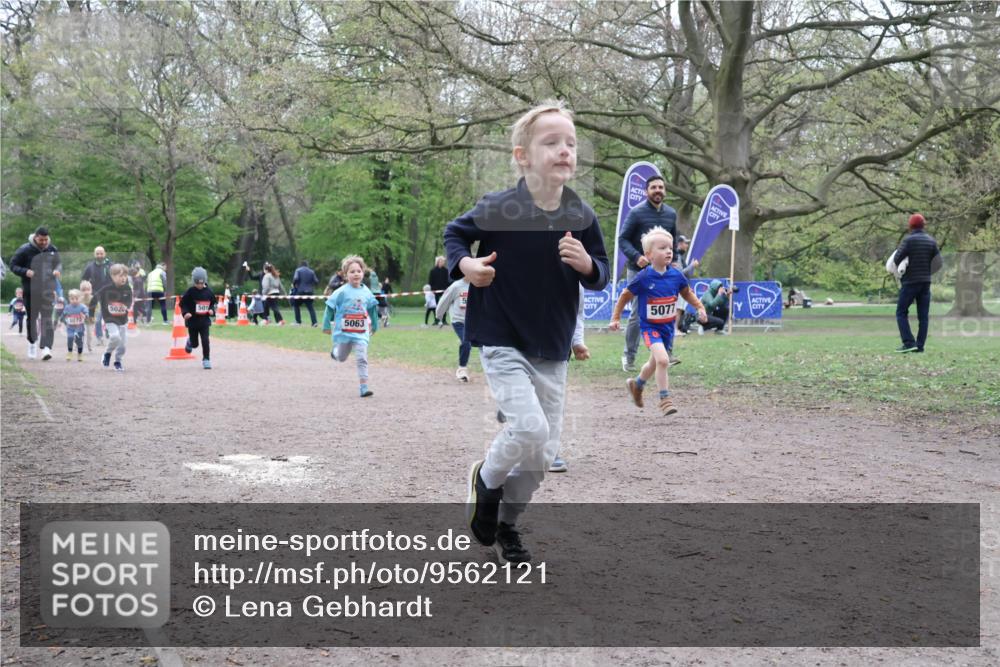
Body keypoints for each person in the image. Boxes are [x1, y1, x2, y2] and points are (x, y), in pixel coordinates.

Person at [445, 100, 609, 564]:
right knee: (529, 427)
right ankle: (486, 481)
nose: (564, 151)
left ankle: (507, 526)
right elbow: (455, 233)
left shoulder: (582, 215)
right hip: (501, 337)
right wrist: (467, 264)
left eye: (571, 143)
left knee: (541, 455)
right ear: (522, 156)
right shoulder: (501, 206)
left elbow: (602, 273)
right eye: (551, 142)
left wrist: (589, 267)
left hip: (552, 346)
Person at [609, 227, 707, 415]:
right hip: (649, 327)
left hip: (667, 329)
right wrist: (615, 318)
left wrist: (700, 307)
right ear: (649, 254)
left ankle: (637, 385)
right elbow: (625, 295)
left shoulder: (676, 275)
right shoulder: (644, 277)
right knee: (663, 360)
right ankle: (665, 399)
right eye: (662, 248)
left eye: (670, 248)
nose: (669, 251)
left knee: (654, 363)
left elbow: (687, 293)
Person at [617, 175, 677, 372]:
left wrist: (673, 260)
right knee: (637, 313)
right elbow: (623, 239)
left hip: (662, 272)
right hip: (639, 271)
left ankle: (667, 353)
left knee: (666, 310)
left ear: (665, 191)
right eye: (653, 187)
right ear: (646, 191)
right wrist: (636, 257)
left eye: (661, 187)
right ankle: (629, 356)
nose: (658, 190)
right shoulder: (636, 213)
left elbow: (672, 241)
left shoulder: (671, 214)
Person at [322, 255, 380, 398]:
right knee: (341, 357)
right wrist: (326, 324)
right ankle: (335, 353)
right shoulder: (341, 291)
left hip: (361, 333)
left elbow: (373, 308)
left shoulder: (366, 291)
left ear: (363, 273)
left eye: (359, 271)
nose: (356, 274)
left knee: (362, 358)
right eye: (352, 271)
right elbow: (329, 307)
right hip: (344, 333)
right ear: (346, 274)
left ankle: (364, 387)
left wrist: (375, 325)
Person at [891, 213, 942, 353]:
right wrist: (927, 272)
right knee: (923, 316)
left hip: (910, 282)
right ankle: (919, 346)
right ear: (923, 225)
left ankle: (908, 343)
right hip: (925, 282)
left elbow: (896, 259)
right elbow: (939, 263)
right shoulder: (931, 241)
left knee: (901, 312)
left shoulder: (909, 241)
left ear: (910, 226)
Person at [9, 227, 62, 361]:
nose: (44, 242)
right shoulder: (24, 250)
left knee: (47, 319)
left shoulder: (52, 249)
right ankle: (32, 343)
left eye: (46, 240)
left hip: (48, 290)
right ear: (35, 237)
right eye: (41, 240)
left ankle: (46, 348)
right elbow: (13, 265)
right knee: (32, 318)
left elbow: (59, 263)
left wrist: (57, 270)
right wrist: (25, 271)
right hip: (30, 290)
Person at [90, 263, 133, 372]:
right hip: (110, 319)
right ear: (113, 277)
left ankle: (118, 361)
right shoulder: (106, 289)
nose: (123, 278)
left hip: (123, 320)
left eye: (125, 276)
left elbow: (129, 300)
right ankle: (108, 353)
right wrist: (91, 314)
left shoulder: (127, 288)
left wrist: (126, 305)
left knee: (122, 345)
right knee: (115, 337)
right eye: (120, 276)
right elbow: (94, 300)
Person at [435, 278, 471, 382]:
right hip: (458, 321)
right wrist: (439, 315)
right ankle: (462, 369)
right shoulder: (456, 286)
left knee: (483, 344)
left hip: (472, 321)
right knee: (466, 342)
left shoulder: (476, 284)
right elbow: (444, 300)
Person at [181, 267, 216, 369]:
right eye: (197, 283)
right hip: (192, 322)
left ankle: (206, 359)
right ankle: (190, 341)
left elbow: (212, 303)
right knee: (195, 344)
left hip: (204, 321)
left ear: (205, 281)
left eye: (201, 283)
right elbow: (183, 304)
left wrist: (212, 310)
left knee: (205, 340)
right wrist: (185, 313)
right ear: (194, 282)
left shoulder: (209, 292)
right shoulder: (190, 292)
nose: (200, 285)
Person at [59, 289, 88, 362]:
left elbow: (86, 313)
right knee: (70, 338)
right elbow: (63, 314)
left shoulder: (82, 307)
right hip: (70, 327)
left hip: (79, 328)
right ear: (69, 299)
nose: (74, 300)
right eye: (72, 299)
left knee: (79, 341)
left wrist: (85, 315)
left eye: (76, 299)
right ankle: (70, 352)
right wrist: (61, 320)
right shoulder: (68, 307)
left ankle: (80, 354)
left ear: (80, 298)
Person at [291, 260, 320, 327]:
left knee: (296, 305)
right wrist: (311, 285)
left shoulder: (298, 270)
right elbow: (316, 281)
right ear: (307, 265)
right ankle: (314, 322)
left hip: (300, 291)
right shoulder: (311, 271)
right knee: (310, 307)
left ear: (301, 265)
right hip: (309, 292)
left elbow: (296, 278)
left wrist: (294, 285)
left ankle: (298, 321)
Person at [428, 256, 452, 325]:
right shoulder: (433, 271)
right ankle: (436, 320)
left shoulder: (446, 271)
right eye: (441, 261)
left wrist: (448, 288)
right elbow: (430, 282)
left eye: (443, 261)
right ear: (438, 262)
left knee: (444, 305)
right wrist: (432, 289)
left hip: (444, 290)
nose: (443, 263)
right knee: (436, 306)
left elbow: (448, 281)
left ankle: (444, 320)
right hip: (435, 291)